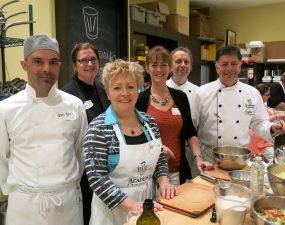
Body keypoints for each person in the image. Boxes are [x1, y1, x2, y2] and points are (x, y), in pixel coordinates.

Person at [0, 34, 88, 225]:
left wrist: (65, 185)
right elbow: (1, 158)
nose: (46, 69)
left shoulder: (74, 105)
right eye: (38, 61)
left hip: (67, 203)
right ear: (24, 65)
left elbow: (81, 152)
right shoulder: (6, 109)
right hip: (25, 205)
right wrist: (14, 191)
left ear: (60, 65)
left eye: (53, 62)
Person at [83, 59, 178, 225]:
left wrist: (164, 181)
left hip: (148, 207)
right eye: (117, 87)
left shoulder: (150, 123)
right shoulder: (98, 128)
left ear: (138, 90)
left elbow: (159, 157)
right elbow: (96, 177)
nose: (125, 93)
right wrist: (132, 205)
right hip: (113, 213)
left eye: (130, 86)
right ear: (108, 92)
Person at [192, 45, 285, 163]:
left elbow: (259, 123)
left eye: (234, 64)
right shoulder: (202, 93)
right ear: (217, 67)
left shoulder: (252, 93)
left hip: (240, 158)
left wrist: (272, 128)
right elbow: (191, 127)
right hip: (209, 158)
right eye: (224, 64)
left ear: (240, 65)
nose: (229, 69)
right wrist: (197, 157)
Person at [136, 46, 213, 185]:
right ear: (147, 68)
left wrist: (198, 158)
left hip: (176, 171)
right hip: (147, 172)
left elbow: (190, 131)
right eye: (154, 65)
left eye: (163, 65)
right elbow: (134, 136)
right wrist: (157, 148)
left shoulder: (180, 97)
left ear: (169, 68)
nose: (159, 70)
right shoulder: (140, 99)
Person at [61, 42, 110, 225]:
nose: (89, 64)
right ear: (75, 65)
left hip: (104, 166)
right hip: (82, 170)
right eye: (83, 60)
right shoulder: (68, 95)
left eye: (93, 59)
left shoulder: (103, 90)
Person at [166, 46, 200, 178]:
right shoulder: (160, 89)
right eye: (178, 61)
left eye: (186, 62)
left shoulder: (199, 92)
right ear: (170, 66)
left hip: (192, 150)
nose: (183, 65)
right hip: (167, 149)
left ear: (191, 67)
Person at [249, 83, 285, 163]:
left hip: (265, 138)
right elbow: (259, 121)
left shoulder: (264, 105)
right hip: (258, 139)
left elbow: (272, 111)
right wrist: (278, 116)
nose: (270, 96)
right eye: (267, 95)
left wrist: (284, 113)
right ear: (260, 96)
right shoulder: (253, 106)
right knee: (263, 163)